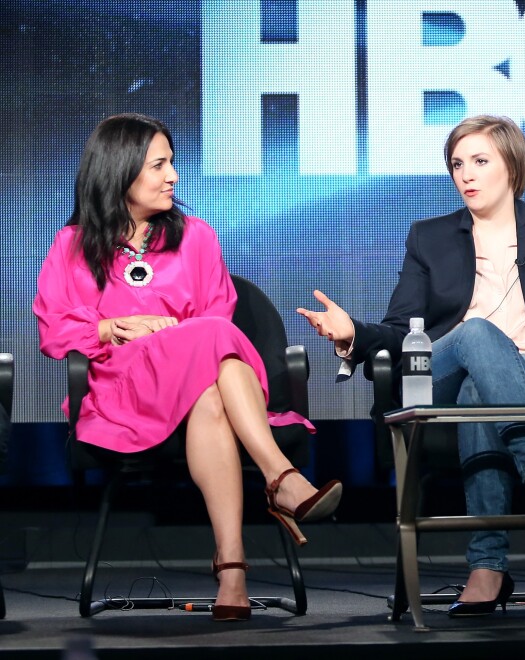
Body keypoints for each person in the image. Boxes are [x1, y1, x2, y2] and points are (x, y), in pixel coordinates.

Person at [33, 114, 342, 622]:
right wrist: (118, 327)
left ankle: (233, 573)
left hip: (202, 385)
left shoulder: (195, 236)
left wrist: (171, 336)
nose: (173, 175)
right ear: (120, 171)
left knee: (212, 380)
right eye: (159, 165)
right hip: (121, 391)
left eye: (172, 162)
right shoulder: (73, 245)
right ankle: (281, 479)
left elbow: (219, 316)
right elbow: (57, 334)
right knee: (213, 341)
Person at [297, 115, 525, 617]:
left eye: (480, 162)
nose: (467, 174)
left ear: (512, 166)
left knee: (480, 396)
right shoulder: (430, 237)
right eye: (458, 164)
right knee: (479, 333)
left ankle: (487, 568)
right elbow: (401, 329)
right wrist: (353, 333)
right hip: (443, 372)